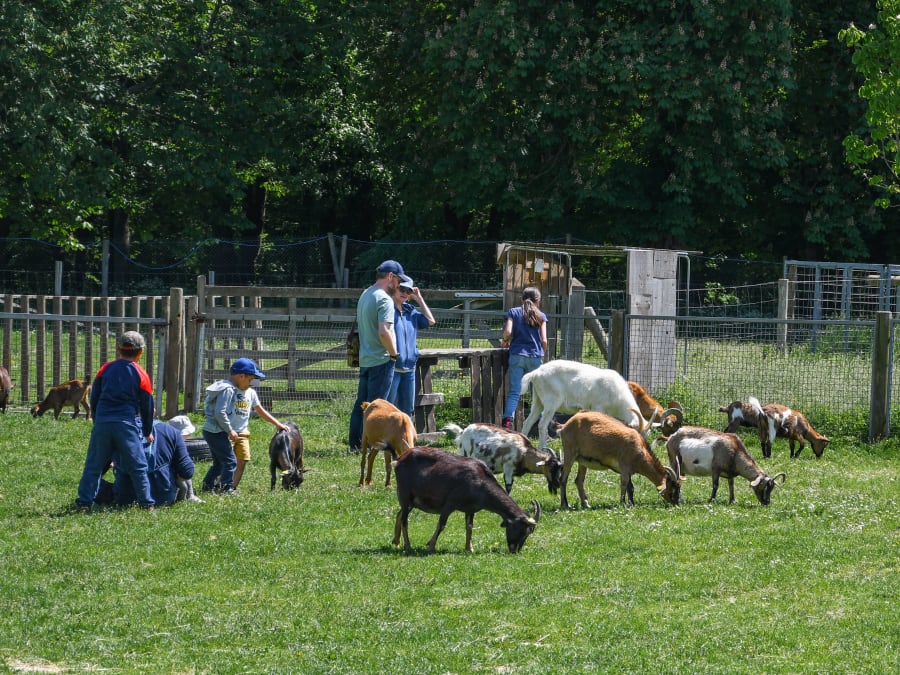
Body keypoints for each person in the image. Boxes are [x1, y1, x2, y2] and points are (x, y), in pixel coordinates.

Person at [75, 331, 156, 510]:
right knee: (138, 466)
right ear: (140, 352)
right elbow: (147, 406)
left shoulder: (105, 369)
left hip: (103, 423)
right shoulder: (142, 374)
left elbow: (94, 397)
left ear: (119, 349)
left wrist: (97, 420)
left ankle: (84, 503)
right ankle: (146, 503)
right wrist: (147, 431)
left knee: (94, 466)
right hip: (126, 425)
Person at [201, 357, 289, 493]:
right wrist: (229, 430)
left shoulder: (250, 393)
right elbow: (220, 412)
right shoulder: (228, 390)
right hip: (219, 432)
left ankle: (209, 486)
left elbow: (260, 410)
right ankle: (226, 489)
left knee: (224, 462)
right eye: (250, 380)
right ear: (241, 376)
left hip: (239, 432)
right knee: (230, 461)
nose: (252, 383)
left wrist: (277, 424)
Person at [348, 259, 405, 452]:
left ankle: (355, 446)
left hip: (365, 358)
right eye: (398, 280)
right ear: (391, 277)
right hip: (381, 359)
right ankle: (372, 446)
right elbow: (384, 332)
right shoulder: (384, 299)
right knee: (376, 408)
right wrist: (394, 354)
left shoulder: (366, 294)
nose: (399, 285)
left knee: (361, 405)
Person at [113, 415, 198, 506]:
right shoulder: (170, 431)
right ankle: (188, 496)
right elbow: (188, 471)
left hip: (126, 498)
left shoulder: (113, 430)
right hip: (163, 497)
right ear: (152, 411)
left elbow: (97, 468)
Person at [500, 286, 548, 431]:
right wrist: (542, 352)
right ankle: (542, 425)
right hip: (535, 357)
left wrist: (506, 340)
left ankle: (507, 424)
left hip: (517, 355)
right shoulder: (541, 316)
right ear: (538, 301)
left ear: (521, 299)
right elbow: (544, 340)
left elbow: (508, 331)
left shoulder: (513, 312)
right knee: (539, 393)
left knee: (515, 391)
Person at [387, 276, 435, 418]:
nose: (404, 293)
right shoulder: (387, 309)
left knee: (407, 410)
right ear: (394, 288)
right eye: (401, 289)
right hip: (393, 367)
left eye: (408, 291)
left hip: (409, 370)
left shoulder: (411, 311)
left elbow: (431, 321)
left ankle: (405, 439)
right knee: (389, 408)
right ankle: (387, 439)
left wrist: (419, 298)